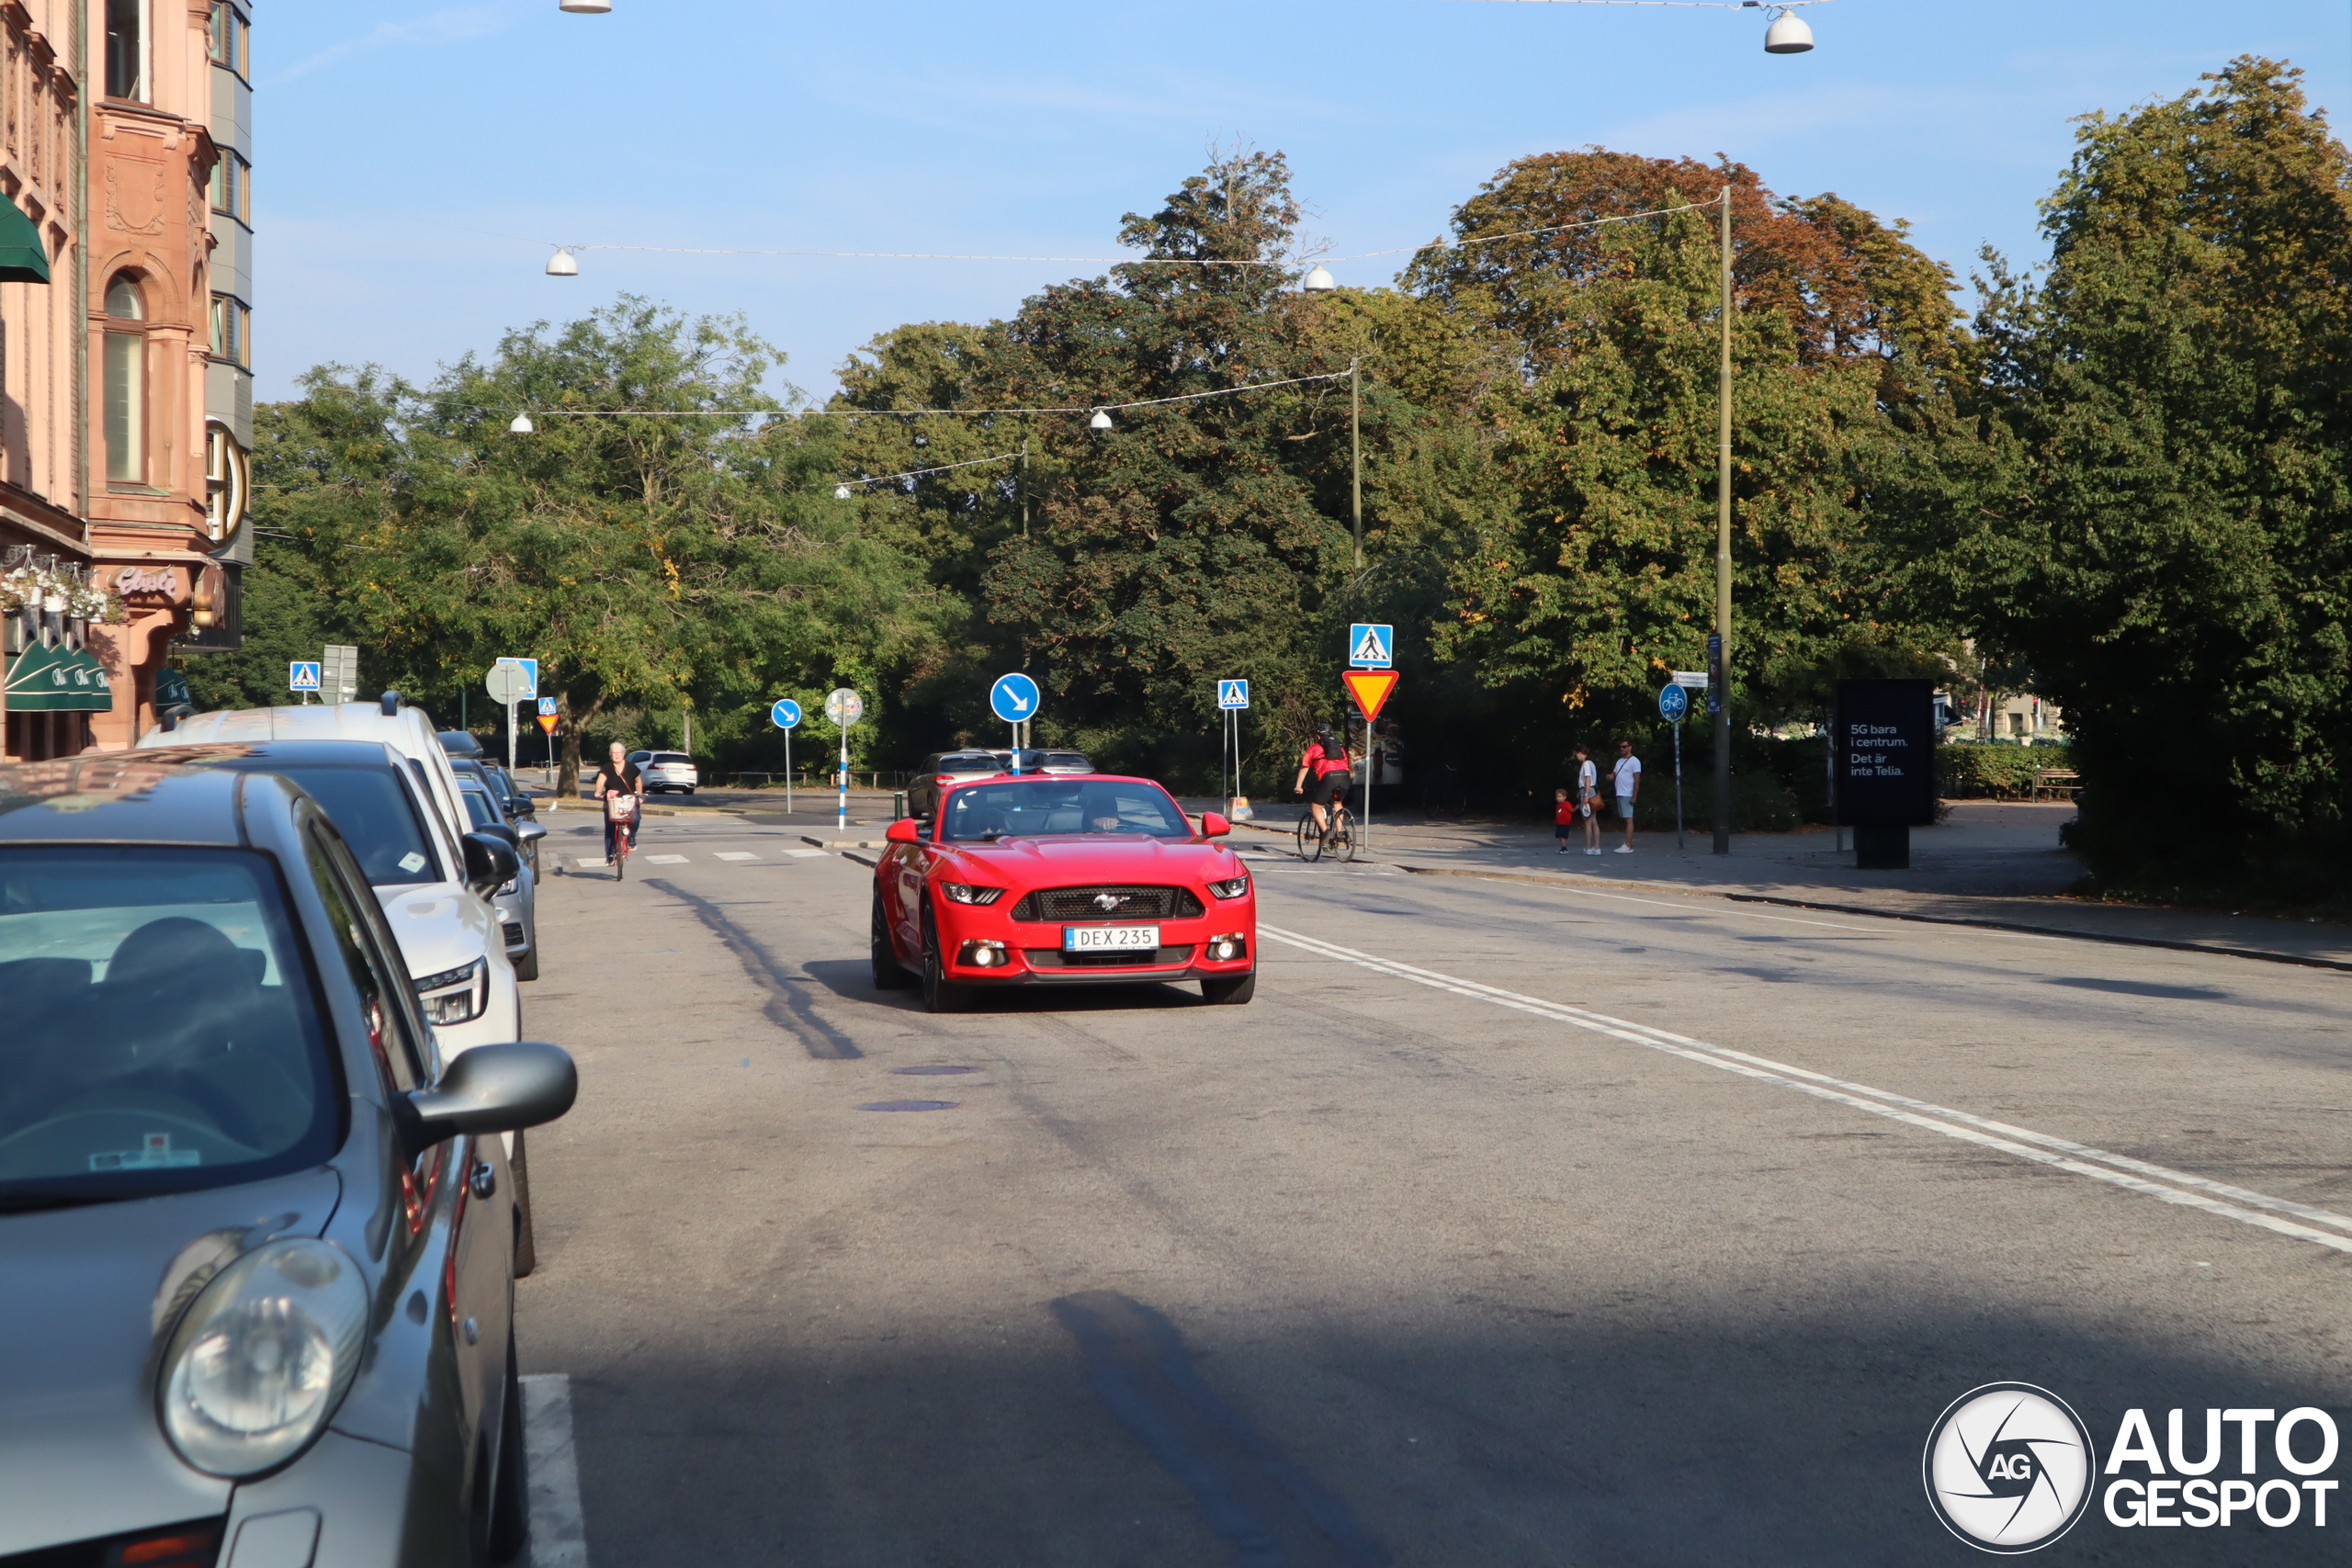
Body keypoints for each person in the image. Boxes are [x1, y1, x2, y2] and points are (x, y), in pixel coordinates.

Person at [1292, 723, 1353, 835]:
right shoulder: (1340, 748)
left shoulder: (1314, 749)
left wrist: (1298, 786)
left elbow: (1304, 768)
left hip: (1328, 778)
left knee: (1316, 806)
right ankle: (1339, 833)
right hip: (1345, 776)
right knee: (1337, 803)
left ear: (1318, 737)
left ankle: (1325, 833)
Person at [591, 741, 644, 865]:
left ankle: (631, 836)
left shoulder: (631, 767)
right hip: (612, 801)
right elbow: (600, 781)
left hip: (629, 800)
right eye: (614, 753)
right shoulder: (607, 767)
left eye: (619, 753)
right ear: (610, 755)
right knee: (609, 829)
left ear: (623, 754)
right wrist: (599, 790)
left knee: (635, 818)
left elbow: (638, 782)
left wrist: (639, 795)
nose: (616, 755)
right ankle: (609, 855)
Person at [1611, 739, 1642, 852]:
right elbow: (1614, 774)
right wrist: (1610, 776)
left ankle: (1628, 845)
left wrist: (1634, 796)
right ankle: (1627, 843)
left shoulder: (1634, 761)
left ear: (1630, 747)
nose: (1622, 749)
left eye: (1624, 747)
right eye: (1621, 747)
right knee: (1625, 818)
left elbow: (1637, 779)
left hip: (1627, 793)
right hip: (1619, 792)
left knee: (1629, 818)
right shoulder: (1619, 761)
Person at [1575, 744, 1602, 855]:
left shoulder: (1585, 764)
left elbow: (1588, 779)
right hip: (1592, 790)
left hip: (1587, 791)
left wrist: (1585, 795)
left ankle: (1588, 847)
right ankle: (1597, 847)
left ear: (1580, 753)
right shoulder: (1592, 763)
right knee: (1594, 820)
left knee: (1587, 821)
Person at [1554, 787, 1575, 853]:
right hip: (1559, 823)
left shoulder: (1567, 803)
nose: (1558, 798)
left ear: (1564, 797)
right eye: (1557, 796)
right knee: (1559, 836)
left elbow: (1571, 810)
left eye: (1560, 796)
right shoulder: (1558, 805)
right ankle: (1563, 847)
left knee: (1563, 836)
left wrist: (1576, 808)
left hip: (1565, 823)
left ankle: (1564, 848)